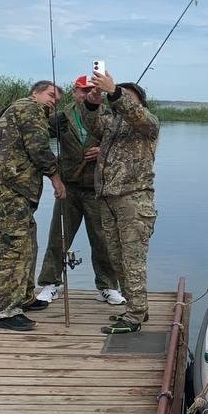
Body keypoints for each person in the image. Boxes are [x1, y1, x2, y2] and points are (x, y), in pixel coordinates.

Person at [0, 80, 67, 331]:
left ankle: (25, 297)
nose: (53, 101)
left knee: (27, 242)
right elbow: (38, 147)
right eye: (51, 96)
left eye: (57, 100)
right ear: (35, 93)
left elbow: (32, 136)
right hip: (8, 187)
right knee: (13, 247)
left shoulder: (23, 112)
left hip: (16, 189)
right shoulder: (29, 108)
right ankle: (7, 312)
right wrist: (55, 177)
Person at [34, 75, 125, 306]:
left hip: (98, 187)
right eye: (83, 90)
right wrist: (53, 165)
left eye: (92, 90)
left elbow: (125, 147)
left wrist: (103, 151)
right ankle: (50, 283)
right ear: (75, 92)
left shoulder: (109, 115)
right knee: (58, 237)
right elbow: (36, 139)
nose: (87, 95)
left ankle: (107, 286)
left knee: (102, 239)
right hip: (69, 186)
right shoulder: (61, 117)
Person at [82, 69, 160, 335]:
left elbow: (140, 117)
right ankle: (136, 308)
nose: (121, 97)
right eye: (119, 93)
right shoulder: (112, 123)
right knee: (116, 259)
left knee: (132, 259)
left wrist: (114, 92)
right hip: (107, 198)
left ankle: (135, 315)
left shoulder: (147, 125)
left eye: (129, 96)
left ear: (139, 102)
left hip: (134, 200)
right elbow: (91, 122)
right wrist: (93, 100)